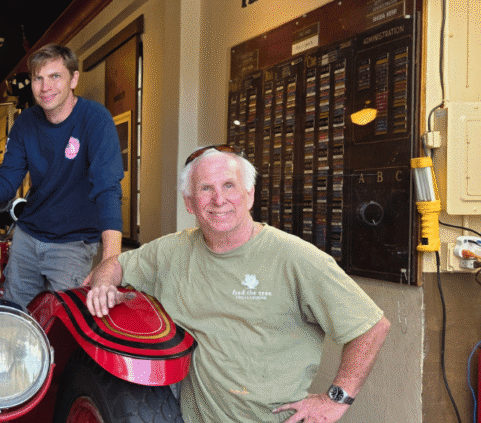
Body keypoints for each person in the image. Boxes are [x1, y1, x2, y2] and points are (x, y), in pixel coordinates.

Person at [84, 145, 391, 423]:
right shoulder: (172, 251)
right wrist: (102, 285)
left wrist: (335, 400)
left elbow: (372, 327)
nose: (219, 199)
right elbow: (115, 265)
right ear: (189, 203)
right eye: (206, 189)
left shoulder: (295, 257)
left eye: (229, 186)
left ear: (250, 195)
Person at [0, 43, 123, 306]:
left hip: (73, 243)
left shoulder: (96, 120)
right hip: (27, 236)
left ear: (73, 79)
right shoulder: (26, 122)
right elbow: (8, 179)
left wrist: (111, 261)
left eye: (55, 76)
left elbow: (107, 189)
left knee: (63, 324)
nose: (45, 87)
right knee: (16, 315)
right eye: (38, 78)